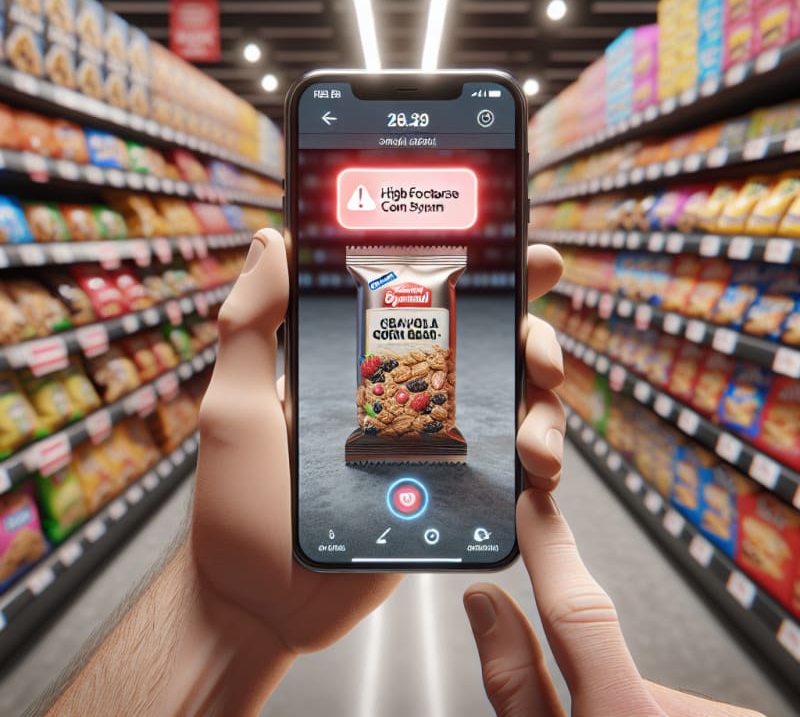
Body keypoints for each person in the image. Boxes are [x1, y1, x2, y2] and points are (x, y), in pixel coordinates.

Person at [34, 229, 766, 716]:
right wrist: (224, 610)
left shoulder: (432, 335)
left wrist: (228, 628)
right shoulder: (374, 333)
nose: (409, 330)